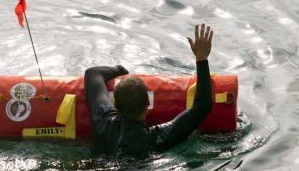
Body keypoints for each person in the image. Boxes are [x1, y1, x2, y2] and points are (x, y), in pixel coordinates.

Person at [84, 23, 213, 156]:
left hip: (97, 170)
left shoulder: (103, 119)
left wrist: (120, 70)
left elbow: (93, 73)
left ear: (114, 103)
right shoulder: (155, 138)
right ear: (148, 104)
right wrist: (201, 58)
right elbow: (202, 106)